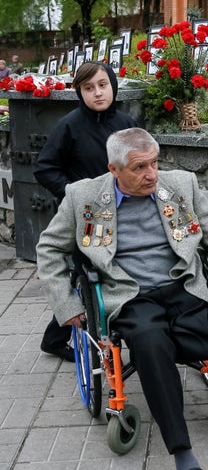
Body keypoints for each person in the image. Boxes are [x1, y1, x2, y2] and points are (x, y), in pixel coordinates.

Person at [36, 127, 208, 470]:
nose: (151, 174)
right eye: (139, 167)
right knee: (148, 341)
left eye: (154, 163)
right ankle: (185, 459)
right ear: (114, 169)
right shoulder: (82, 196)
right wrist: (66, 307)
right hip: (128, 296)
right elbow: (49, 249)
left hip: (182, 286)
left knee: (195, 339)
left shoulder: (181, 184)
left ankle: (169, 359)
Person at [33, 61, 138, 362]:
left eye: (103, 85)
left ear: (113, 86)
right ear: (80, 92)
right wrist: (74, 194)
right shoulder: (68, 126)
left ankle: (56, 337)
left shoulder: (126, 123)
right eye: (89, 88)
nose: (97, 93)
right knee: (87, 276)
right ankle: (88, 341)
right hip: (86, 217)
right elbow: (44, 168)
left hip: (122, 210)